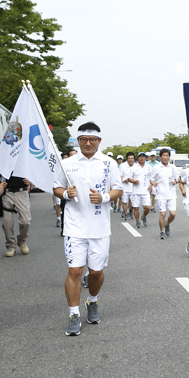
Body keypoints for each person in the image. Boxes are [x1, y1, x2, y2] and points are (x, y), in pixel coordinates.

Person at [53, 122, 122, 336]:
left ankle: (92, 300)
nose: (88, 143)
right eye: (83, 139)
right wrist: (66, 194)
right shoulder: (68, 163)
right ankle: (73, 314)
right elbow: (56, 187)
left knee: (96, 272)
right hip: (74, 225)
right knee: (75, 270)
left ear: (99, 141)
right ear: (78, 140)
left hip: (100, 227)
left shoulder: (109, 163)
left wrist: (103, 197)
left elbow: (118, 189)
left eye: (92, 140)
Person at [150, 148, 179, 239]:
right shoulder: (156, 168)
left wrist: (175, 181)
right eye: (163, 156)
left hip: (171, 195)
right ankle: (162, 232)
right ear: (160, 157)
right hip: (160, 195)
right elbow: (151, 179)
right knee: (162, 214)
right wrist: (153, 183)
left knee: (173, 214)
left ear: (169, 157)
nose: (165, 157)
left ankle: (167, 224)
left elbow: (177, 178)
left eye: (167, 156)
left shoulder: (172, 167)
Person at [1, 174, 32, 257]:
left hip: (22, 192)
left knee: (25, 221)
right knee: (7, 221)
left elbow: (33, 170)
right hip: (7, 192)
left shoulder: (25, 161)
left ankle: (22, 241)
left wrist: (30, 181)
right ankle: (11, 246)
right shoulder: (3, 161)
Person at [131, 151, 152, 229]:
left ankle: (144, 216)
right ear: (138, 158)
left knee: (148, 207)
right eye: (140, 156)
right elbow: (129, 178)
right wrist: (134, 181)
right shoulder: (134, 167)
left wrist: (151, 185)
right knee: (136, 208)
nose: (142, 158)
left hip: (146, 191)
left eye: (143, 156)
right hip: (136, 191)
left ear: (145, 158)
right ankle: (137, 221)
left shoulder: (149, 167)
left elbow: (152, 178)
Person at [119, 152, 135, 221]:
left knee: (133, 203)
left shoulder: (136, 166)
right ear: (127, 159)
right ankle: (126, 214)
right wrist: (124, 180)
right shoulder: (123, 166)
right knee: (124, 202)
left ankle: (131, 211)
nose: (130, 160)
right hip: (125, 187)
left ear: (134, 159)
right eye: (129, 158)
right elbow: (119, 176)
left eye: (132, 158)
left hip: (134, 188)